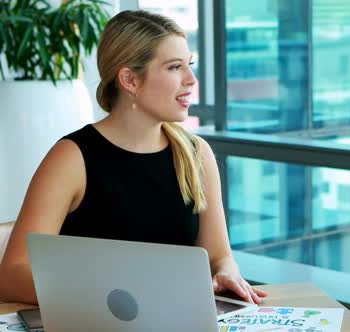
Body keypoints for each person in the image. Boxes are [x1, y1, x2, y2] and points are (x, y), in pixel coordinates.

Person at [0, 10, 266, 305]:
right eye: (175, 67)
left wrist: (227, 272)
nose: (191, 80)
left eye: (189, 65)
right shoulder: (72, 158)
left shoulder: (196, 154)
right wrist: (114, 301)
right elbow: (12, 275)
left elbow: (218, 257)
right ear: (129, 80)